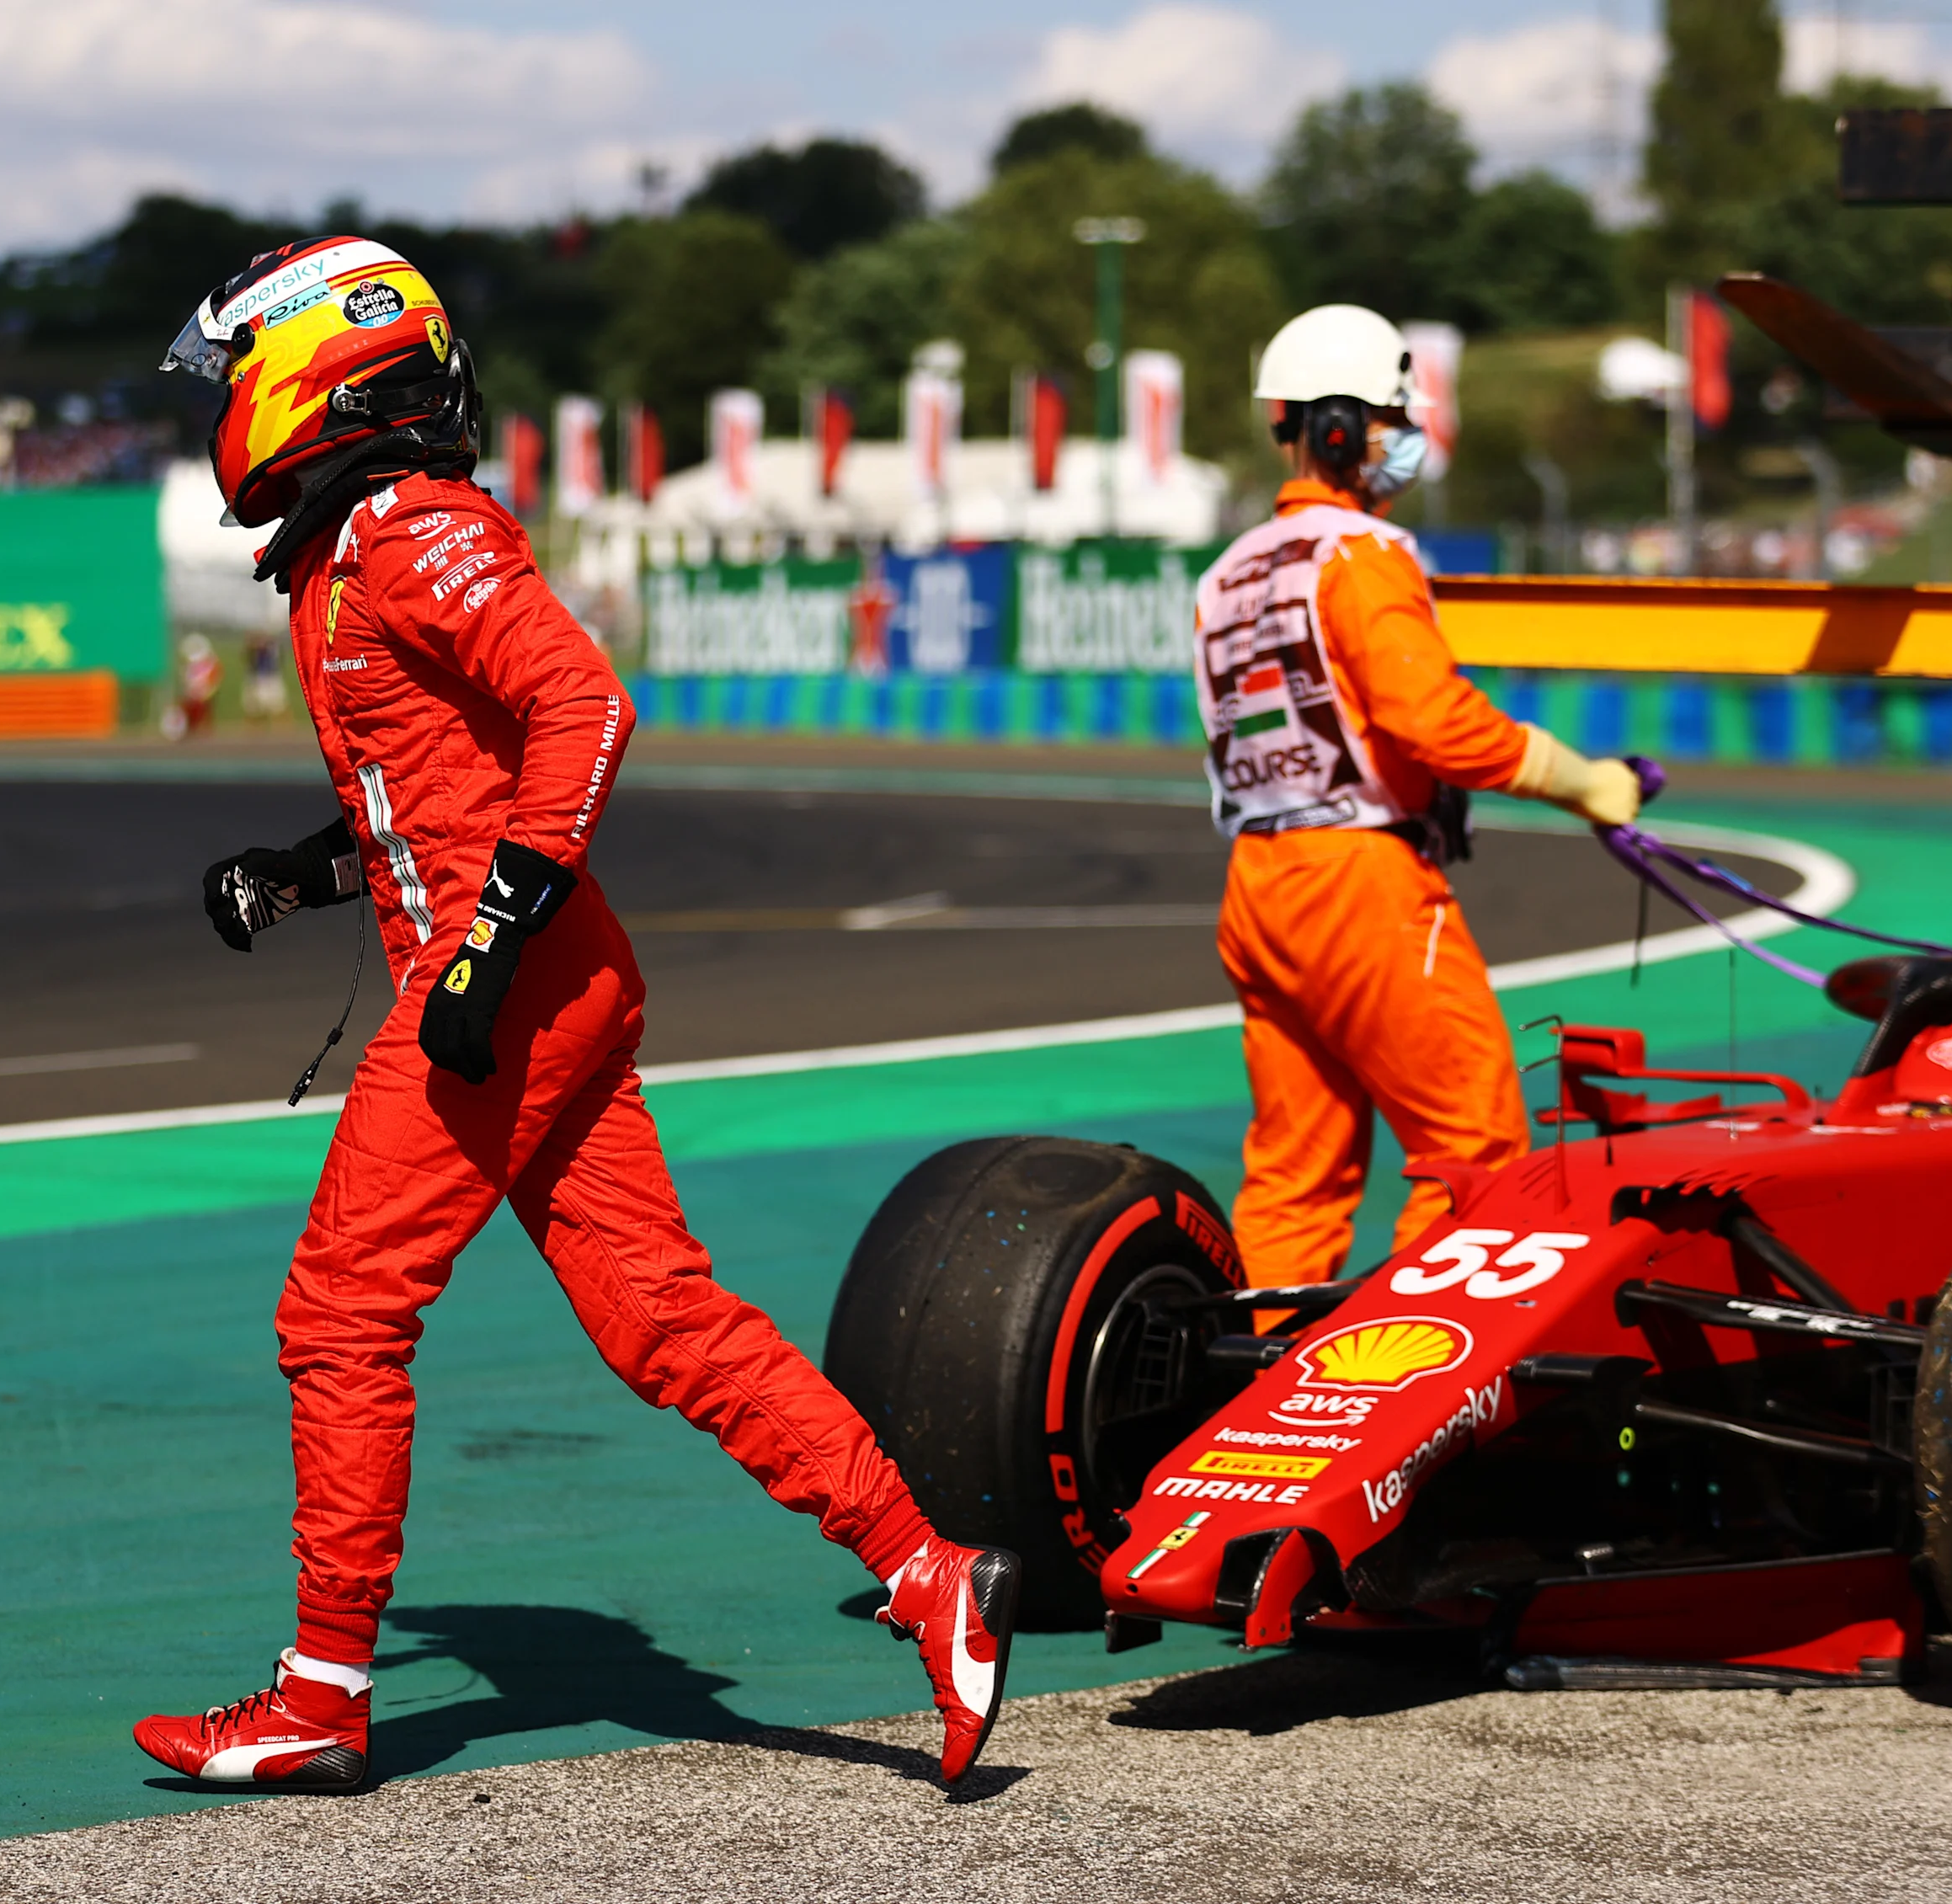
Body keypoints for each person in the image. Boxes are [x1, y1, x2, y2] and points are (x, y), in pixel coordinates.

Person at [132, 236, 1016, 1791]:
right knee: (663, 1321)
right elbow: (448, 797)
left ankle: (320, 1700)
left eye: (226, 386)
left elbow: (583, 707)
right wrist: (300, 874)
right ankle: (928, 1572)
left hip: (508, 990)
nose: (213, 422)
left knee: (338, 1312)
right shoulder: (356, 551)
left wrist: (481, 954)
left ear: (305, 381)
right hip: (535, 973)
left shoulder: (410, 531)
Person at [1195, 303, 1642, 1291]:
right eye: (1392, 420)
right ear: (1341, 428)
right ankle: (1419, 1371)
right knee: (1473, 1143)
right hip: (1359, 880)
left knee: (1294, 1169)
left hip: (1257, 885)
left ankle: (1261, 1370)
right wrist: (1583, 782)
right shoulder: (1361, 556)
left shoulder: (1223, 572)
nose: (1406, 443)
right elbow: (1433, 722)